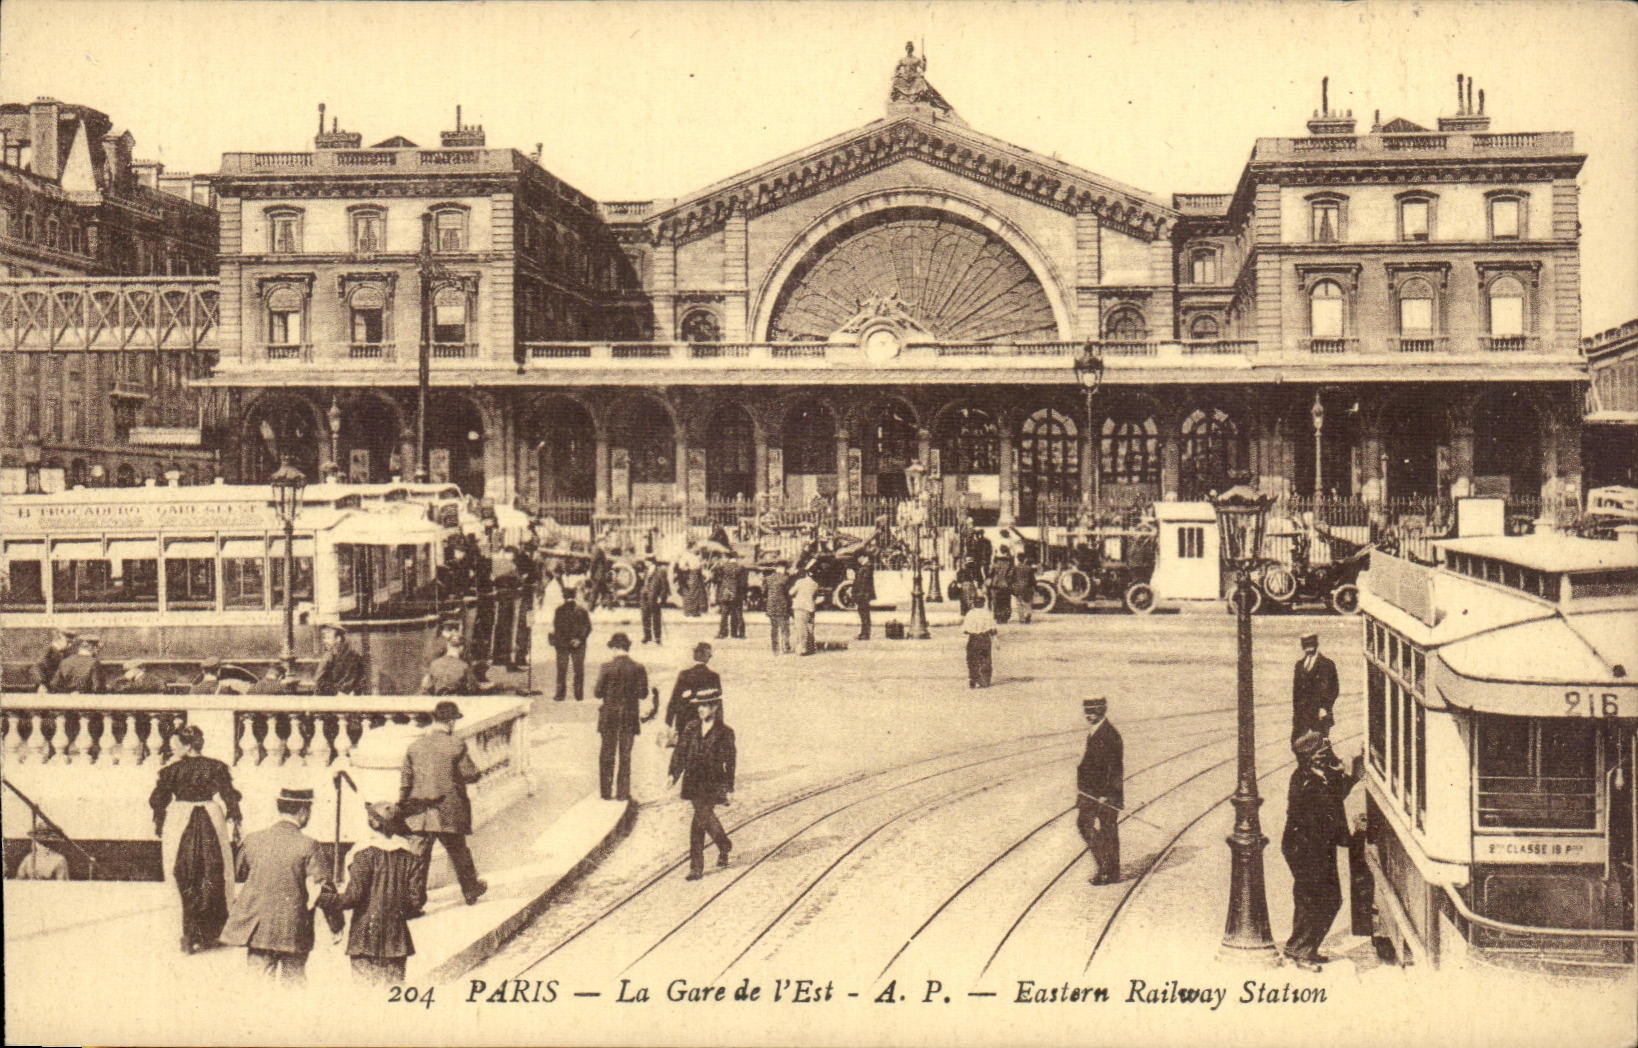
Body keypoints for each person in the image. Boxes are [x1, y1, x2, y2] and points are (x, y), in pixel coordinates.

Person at [219, 787, 329, 982]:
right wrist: (336, 924)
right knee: (294, 985)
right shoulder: (309, 844)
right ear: (303, 812)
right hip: (293, 929)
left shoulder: (252, 840)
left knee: (258, 986)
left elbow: (238, 874)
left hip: (258, 927)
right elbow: (323, 888)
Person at [150, 724, 242, 953]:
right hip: (211, 818)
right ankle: (212, 932)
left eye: (176, 743)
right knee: (213, 872)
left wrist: (160, 821)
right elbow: (230, 797)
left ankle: (188, 933)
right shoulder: (216, 767)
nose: (172, 747)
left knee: (183, 872)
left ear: (187, 744)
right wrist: (236, 819)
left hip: (181, 821)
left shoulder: (171, 771)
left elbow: (158, 800)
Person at [319, 801, 426, 985]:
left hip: (364, 938)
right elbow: (417, 900)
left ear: (374, 823)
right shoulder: (410, 857)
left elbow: (353, 897)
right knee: (393, 1000)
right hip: (397, 940)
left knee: (365, 1001)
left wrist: (324, 899)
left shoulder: (363, 855)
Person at [1281, 731, 1360, 971]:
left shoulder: (1312, 776)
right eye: (1322, 752)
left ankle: (1300, 947)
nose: (1327, 754)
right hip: (1307, 851)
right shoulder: (1308, 785)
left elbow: (1335, 795)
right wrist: (1353, 837)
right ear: (1312, 757)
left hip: (1309, 848)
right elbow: (1330, 813)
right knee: (1326, 900)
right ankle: (1303, 950)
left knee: (1307, 899)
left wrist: (1349, 776)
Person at [400, 700, 488, 906]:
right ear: (450, 722)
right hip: (448, 809)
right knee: (458, 852)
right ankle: (470, 890)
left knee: (418, 857)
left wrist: (403, 805)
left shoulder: (414, 747)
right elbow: (470, 773)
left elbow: (405, 782)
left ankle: (414, 901)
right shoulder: (455, 744)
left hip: (419, 811)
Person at [669, 686, 736, 881]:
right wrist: (673, 774)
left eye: (705, 706)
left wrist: (729, 788)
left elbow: (731, 762)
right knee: (702, 819)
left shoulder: (725, 732)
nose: (700, 710)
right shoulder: (691, 728)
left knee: (699, 821)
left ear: (714, 707)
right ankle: (723, 845)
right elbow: (680, 752)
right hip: (692, 781)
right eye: (699, 706)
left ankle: (696, 868)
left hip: (713, 782)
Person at [593, 633, 652, 801]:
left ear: (614, 648)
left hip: (609, 715)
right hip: (629, 716)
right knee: (625, 755)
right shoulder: (638, 668)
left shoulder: (606, 667)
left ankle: (605, 792)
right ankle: (622, 793)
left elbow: (597, 693)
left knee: (607, 753)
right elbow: (643, 694)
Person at [1076, 697, 1124, 885]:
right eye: (1087, 712)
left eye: (1093, 712)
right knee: (1087, 825)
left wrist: (1107, 794)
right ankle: (1108, 868)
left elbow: (1114, 768)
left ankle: (1109, 871)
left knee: (1107, 830)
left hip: (1104, 795)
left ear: (1102, 710)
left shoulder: (1109, 735)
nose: (1089, 716)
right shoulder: (1096, 731)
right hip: (1091, 793)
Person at [1292, 633, 1340, 743]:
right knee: (1301, 746)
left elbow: (1333, 689)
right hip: (1302, 715)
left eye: (1311, 645)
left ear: (1316, 645)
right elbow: (1296, 692)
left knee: (1321, 744)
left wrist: (1325, 707)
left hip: (1320, 713)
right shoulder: (1299, 665)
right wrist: (1296, 714)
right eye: (1306, 646)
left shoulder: (1327, 664)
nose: (1309, 649)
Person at [667, 642, 721, 734]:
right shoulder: (714, 676)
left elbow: (674, 700)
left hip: (684, 721)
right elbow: (717, 702)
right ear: (706, 657)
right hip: (706, 723)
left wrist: (668, 722)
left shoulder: (684, 675)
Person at [551, 587, 593, 701]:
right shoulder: (582, 611)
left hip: (565, 644)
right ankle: (578, 695)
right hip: (576, 644)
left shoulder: (559, 610)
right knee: (577, 670)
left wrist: (575, 640)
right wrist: (579, 639)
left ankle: (561, 694)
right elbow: (588, 627)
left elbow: (557, 628)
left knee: (562, 670)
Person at [314, 623, 368, 696]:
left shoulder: (354, 657)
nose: (325, 641)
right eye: (324, 638)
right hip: (330, 698)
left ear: (338, 639)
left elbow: (361, 680)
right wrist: (336, 692)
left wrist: (354, 692)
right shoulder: (328, 656)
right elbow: (319, 681)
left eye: (328, 638)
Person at [961, 594, 997, 688]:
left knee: (972, 659)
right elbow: (993, 629)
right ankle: (984, 680)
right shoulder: (987, 614)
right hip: (984, 638)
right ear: (983, 603)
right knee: (985, 659)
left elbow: (965, 630)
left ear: (974, 603)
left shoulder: (970, 614)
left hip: (973, 639)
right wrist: (996, 641)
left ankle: (973, 677)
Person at [762, 560, 793, 655]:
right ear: (783, 568)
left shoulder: (768, 578)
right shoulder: (786, 578)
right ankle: (785, 647)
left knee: (774, 628)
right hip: (783, 605)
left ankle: (775, 649)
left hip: (771, 605)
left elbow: (764, 593)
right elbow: (789, 593)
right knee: (785, 628)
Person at [714, 553, 746, 640]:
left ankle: (722, 632)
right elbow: (743, 583)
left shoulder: (723, 567)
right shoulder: (741, 567)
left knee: (724, 613)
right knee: (737, 613)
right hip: (737, 592)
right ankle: (738, 633)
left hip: (725, 592)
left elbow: (716, 577)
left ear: (728, 558)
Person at [639, 555, 670, 645]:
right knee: (645, 617)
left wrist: (661, 597)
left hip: (654, 597)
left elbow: (664, 586)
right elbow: (644, 583)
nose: (645, 563)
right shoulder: (646, 571)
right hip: (644, 596)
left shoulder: (660, 571)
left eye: (646, 561)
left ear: (650, 561)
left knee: (656, 618)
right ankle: (647, 636)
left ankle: (657, 638)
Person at [33, 628, 75, 693]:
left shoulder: (65, 652)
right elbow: (36, 668)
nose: (70, 645)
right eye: (68, 642)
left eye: (71, 642)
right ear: (59, 639)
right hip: (48, 689)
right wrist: (41, 684)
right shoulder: (48, 651)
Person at [791, 568, 819, 656]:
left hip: (800, 607)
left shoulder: (799, 582)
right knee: (810, 628)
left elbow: (791, 592)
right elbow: (815, 596)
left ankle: (803, 648)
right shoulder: (815, 584)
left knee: (801, 628)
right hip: (810, 607)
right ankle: (811, 647)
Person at [852, 553, 876, 640]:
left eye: (859, 557)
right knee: (863, 614)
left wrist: (859, 594)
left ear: (863, 556)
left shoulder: (867, 567)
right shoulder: (865, 567)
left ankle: (865, 634)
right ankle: (863, 633)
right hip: (863, 594)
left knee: (864, 614)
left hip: (863, 595)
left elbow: (863, 583)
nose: (858, 560)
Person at [989, 548, 1015, 625]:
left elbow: (990, 573)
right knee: (1006, 602)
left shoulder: (995, 565)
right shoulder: (1009, 565)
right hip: (1006, 585)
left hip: (996, 584)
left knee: (997, 602)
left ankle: (998, 616)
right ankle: (1005, 617)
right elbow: (1011, 575)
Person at [1011, 555, 1038, 625]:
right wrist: (1035, 587)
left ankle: (1021, 619)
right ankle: (1028, 613)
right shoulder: (1029, 568)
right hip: (1027, 587)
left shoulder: (1015, 568)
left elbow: (1011, 577)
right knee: (1027, 602)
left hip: (1018, 587)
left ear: (1018, 559)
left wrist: (1012, 585)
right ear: (1025, 559)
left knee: (1019, 603)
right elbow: (1032, 579)